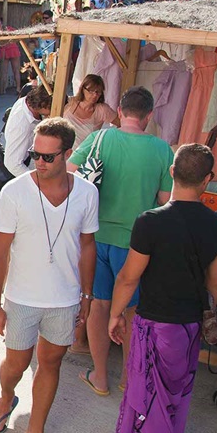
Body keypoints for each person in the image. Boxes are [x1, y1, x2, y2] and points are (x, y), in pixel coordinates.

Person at [104, 144, 217, 433]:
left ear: (171, 172)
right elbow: (215, 282)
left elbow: (129, 277)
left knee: (153, 398)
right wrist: (202, 311)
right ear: (208, 180)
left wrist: (115, 314)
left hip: (155, 323)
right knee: (176, 394)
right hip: (189, 325)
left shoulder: (151, 221)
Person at [0, 118, 98, 433]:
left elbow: (88, 245)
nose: (39, 162)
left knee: (51, 363)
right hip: (21, 299)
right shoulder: (14, 192)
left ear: (67, 154)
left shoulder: (87, 193)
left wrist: (87, 296)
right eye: (35, 154)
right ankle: (6, 398)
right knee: (16, 365)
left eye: (48, 157)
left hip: (64, 300)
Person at [68, 87, 174, 396]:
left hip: (95, 238)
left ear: (120, 110)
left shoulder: (100, 138)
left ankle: (100, 378)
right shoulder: (162, 149)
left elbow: (70, 174)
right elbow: (165, 201)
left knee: (99, 306)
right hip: (136, 244)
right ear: (149, 116)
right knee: (130, 311)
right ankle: (129, 378)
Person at [3, 85, 52, 179]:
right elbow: (12, 164)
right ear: (44, 105)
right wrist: (38, 182)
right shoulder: (22, 125)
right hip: (24, 171)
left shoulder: (28, 101)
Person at [63, 74, 117, 141]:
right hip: (64, 149)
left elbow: (123, 124)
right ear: (83, 89)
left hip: (87, 150)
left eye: (98, 92)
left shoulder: (102, 110)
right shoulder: (70, 102)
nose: (95, 95)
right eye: (91, 91)